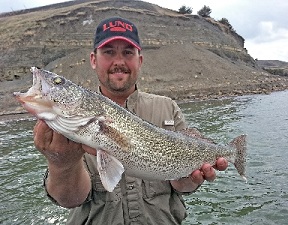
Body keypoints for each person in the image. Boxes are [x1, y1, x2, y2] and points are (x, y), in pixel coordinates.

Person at [33, 17, 228, 225]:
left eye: (128, 52)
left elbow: (181, 186)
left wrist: (189, 180)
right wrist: (61, 163)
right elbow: (70, 200)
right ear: (93, 59)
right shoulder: (70, 125)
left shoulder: (168, 107)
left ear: (140, 60)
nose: (119, 61)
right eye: (108, 52)